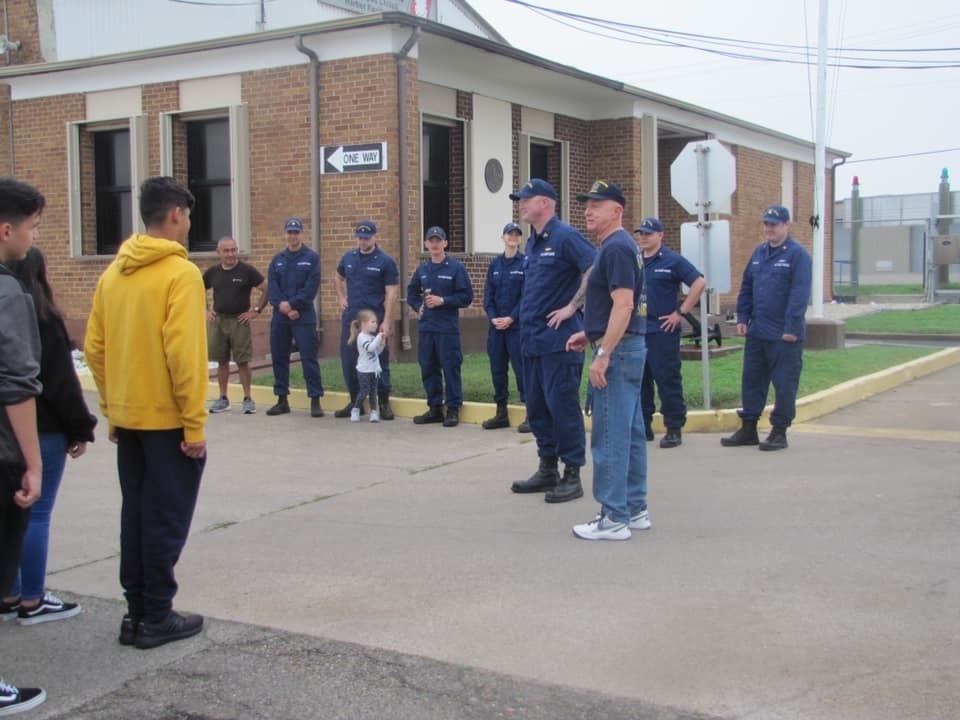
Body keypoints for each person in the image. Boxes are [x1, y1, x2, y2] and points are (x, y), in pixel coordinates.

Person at [84, 176, 208, 650]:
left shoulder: (114, 273)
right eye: (189, 216)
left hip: (131, 421)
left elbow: (95, 348)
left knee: (135, 515)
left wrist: (114, 408)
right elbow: (185, 356)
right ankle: (157, 615)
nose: (188, 224)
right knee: (165, 517)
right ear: (176, 213)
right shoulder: (181, 275)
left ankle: (135, 612)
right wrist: (194, 425)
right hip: (168, 424)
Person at [2, 247, 96, 626]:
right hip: (42, 428)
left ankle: (9, 591)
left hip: (8, 433)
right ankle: (33, 599)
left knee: (14, 515)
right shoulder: (43, 319)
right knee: (37, 516)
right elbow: (60, 383)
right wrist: (80, 427)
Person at [566, 180, 648, 541]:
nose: (588, 209)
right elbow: (617, 305)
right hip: (626, 346)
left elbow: (625, 304)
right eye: (587, 203)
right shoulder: (621, 246)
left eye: (596, 204)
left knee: (610, 436)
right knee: (629, 433)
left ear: (616, 210)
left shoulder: (616, 247)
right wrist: (593, 331)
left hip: (619, 353)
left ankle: (614, 517)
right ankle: (634, 507)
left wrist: (603, 352)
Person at [508, 179, 596, 504]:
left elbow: (595, 266)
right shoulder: (533, 242)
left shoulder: (565, 236)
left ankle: (571, 474)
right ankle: (547, 468)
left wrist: (574, 306)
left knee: (563, 407)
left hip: (559, 342)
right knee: (538, 408)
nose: (521, 204)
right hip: (531, 340)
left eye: (526, 199)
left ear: (545, 202)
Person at [0, 177, 47, 715]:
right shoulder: (7, 292)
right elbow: (16, 383)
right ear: (7, 229)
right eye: (32, 227)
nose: (33, 237)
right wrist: (32, 463)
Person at [721, 204, 812, 451]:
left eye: (774, 224)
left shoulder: (797, 255)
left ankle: (779, 431)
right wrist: (743, 317)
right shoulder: (760, 253)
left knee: (784, 383)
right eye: (766, 224)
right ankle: (749, 428)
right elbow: (747, 286)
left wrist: (792, 327)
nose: (769, 228)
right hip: (758, 331)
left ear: (786, 225)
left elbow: (799, 294)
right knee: (751, 380)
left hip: (784, 334)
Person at [634, 217, 706, 449]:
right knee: (640, 381)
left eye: (648, 233)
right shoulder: (634, 260)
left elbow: (698, 282)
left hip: (662, 331)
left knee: (667, 380)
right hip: (638, 330)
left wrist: (681, 312)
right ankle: (644, 426)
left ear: (660, 235)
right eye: (641, 233)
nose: (643, 237)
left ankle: (674, 427)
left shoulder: (671, 260)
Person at [406, 226, 473, 427]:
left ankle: (453, 409)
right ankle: (435, 408)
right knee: (428, 366)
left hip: (447, 327)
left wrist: (443, 300)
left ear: (445, 243)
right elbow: (411, 293)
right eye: (431, 240)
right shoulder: (423, 270)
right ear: (426, 244)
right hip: (427, 327)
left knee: (450, 366)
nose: (434, 244)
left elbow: (466, 297)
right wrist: (418, 307)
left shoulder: (455, 268)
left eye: (438, 240)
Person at [333, 220, 400, 420]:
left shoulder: (385, 261)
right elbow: (337, 277)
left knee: (379, 360)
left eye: (367, 237)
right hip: (352, 319)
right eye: (360, 238)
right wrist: (340, 297)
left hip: (374, 319)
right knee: (349, 359)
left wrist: (387, 321)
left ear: (374, 237)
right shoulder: (349, 258)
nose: (363, 241)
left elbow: (392, 292)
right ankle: (356, 402)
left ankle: (384, 402)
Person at [265, 217, 324, 417]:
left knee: (309, 358)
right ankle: (282, 400)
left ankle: (315, 400)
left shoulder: (311, 258)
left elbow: (311, 287)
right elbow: (272, 288)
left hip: (303, 315)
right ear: (285, 234)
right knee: (279, 357)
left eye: (296, 232)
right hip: (281, 315)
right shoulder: (277, 259)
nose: (292, 236)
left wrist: (294, 305)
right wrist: (283, 306)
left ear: (301, 234)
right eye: (289, 232)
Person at [203, 236, 266, 415]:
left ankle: (247, 399)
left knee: (243, 361)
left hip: (239, 321)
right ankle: (223, 398)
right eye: (226, 251)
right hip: (219, 321)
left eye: (233, 250)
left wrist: (255, 311)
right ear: (219, 253)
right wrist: (206, 310)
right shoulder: (213, 273)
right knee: (221, 361)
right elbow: (198, 288)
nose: (231, 254)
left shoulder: (247, 271)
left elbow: (265, 289)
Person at [481, 222, 528, 432]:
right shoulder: (495, 265)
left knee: (522, 371)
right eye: (510, 234)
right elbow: (487, 296)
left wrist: (511, 318)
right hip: (496, 329)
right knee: (497, 371)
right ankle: (501, 413)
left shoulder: (526, 263)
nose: (513, 238)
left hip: (516, 328)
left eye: (517, 235)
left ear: (520, 239)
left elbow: (527, 297)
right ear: (503, 237)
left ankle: (531, 414)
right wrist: (493, 317)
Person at [346, 309, 386, 423]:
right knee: (364, 391)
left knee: (373, 392)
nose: (376, 324)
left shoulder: (372, 337)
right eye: (372, 322)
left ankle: (374, 412)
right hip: (364, 370)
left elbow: (376, 352)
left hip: (374, 370)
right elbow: (370, 348)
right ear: (363, 323)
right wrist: (379, 337)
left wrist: (382, 344)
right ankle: (355, 409)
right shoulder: (361, 337)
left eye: (376, 322)